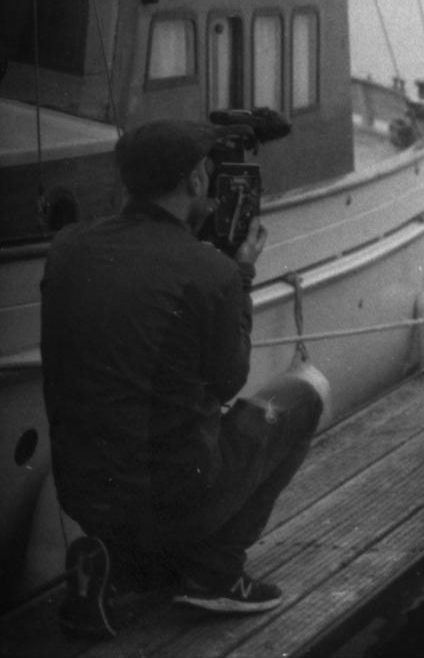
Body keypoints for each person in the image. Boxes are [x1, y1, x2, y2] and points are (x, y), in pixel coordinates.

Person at [40, 119, 325, 638]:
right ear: (196, 181)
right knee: (302, 396)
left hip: (82, 492)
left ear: (127, 181)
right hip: (170, 496)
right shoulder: (210, 273)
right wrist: (239, 273)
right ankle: (216, 571)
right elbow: (227, 381)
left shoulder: (66, 249)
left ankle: (121, 567)